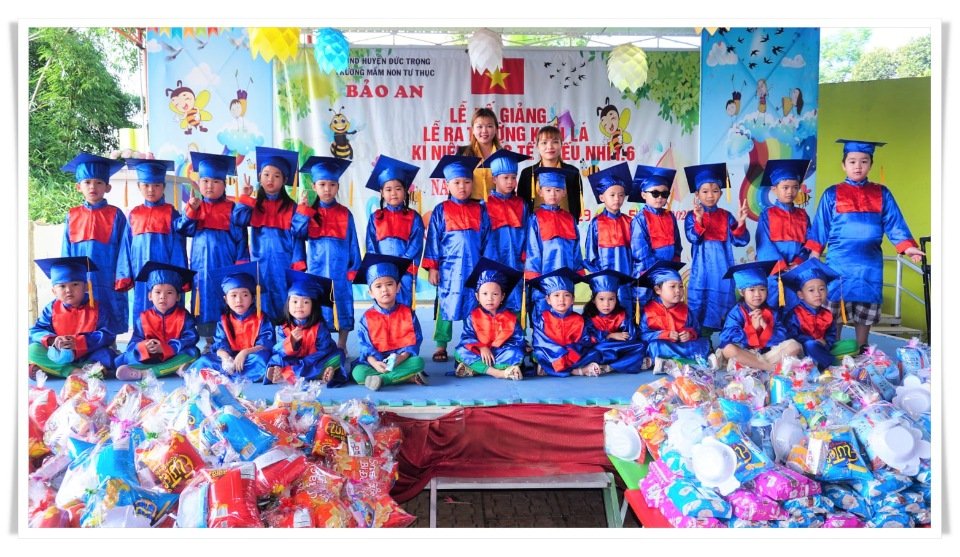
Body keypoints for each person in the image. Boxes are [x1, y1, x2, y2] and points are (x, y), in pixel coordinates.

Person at [805, 139, 924, 351]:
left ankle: (862, 349)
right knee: (834, 310)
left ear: (871, 164)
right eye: (852, 161)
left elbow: (894, 223)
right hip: (839, 264)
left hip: (869, 265)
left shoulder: (882, 193)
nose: (858, 166)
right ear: (844, 165)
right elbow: (821, 226)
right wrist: (814, 254)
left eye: (864, 161)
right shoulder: (831, 193)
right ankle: (833, 349)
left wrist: (907, 247)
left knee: (865, 310)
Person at [179, 152, 252, 346]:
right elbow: (183, 230)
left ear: (224, 184)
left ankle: (228, 342)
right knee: (203, 300)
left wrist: (240, 266)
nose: (209, 186)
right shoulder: (196, 207)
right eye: (205, 181)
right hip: (201, 267)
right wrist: (191, 210)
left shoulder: (232, 209)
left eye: (215, 181)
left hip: (225, 265)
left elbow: (241, 239)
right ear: (198, 183)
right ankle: (209, 342)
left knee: (225, 299)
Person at [422, 154, 489, 363]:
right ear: (447, 185)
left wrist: (487, 267)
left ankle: (474, 342)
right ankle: (441, 344)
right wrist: (433, 267)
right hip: (449, 269)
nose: (462, 187)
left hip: (475, 267)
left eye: (467, 182)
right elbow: (433, 240)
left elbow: (487, 239)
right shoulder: (441, 210)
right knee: (446, 304)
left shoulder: (480, 209)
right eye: (457, 182)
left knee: (476, 304)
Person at [296, 156, 361, 353]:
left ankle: (342, 344)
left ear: (338, 187)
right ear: (314, 186)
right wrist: (302, 210)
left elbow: (353, 242)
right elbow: (297, 233)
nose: (327, 189)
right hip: (317, 270)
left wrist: (354, 267)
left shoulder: (345, 213)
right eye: (322, 184)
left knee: (342, 304)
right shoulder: (309, 213)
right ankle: (321, 344)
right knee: (319, 306)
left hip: (340, 270)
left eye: (332, 185)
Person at [237, 146, 308, 323]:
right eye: (266, 174)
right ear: (259, 176)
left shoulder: (291, 207)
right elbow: (238, 220)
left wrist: (302, 211)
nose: (270, 179)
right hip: (259, 261)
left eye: (277, 176)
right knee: (261, 296)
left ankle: (285, 332)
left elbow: (299, 234)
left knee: (284, 295)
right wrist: (245, 198)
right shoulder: (254, 205)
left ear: (284, 180)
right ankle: (263, 332)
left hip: (284, 261)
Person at [60, 152, 128, 335]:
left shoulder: (116, 215)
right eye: (87, 182)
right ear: (78, 187)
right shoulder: (72, 215)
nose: (93, 187)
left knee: (109, 314)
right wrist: (67, 278)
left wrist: (122, 275)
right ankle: (84, 346)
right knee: (83, 316)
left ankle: (110, 345)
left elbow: (124, 249)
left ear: (108, 187)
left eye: (99, 182)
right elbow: (66, 250)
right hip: (80, 278)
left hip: (108, 276)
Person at [683, 162, 750, 336]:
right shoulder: (692, 216)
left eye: (715, 191)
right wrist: (699, 220)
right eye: (705, 191)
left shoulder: (726, 216)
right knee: (699, 309)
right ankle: (703, 343)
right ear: (697, 194)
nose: (710, 195)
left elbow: (740, 241)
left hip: (722, 272)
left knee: (723, 309)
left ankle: (727, 343)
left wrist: (741, 222)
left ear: (721, 192)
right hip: (701, 272)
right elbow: (693, 238)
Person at [115, 158, 189, 318]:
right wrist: (124, 274)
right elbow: (126, 246)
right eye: (146, 185)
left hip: (166, 272)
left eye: (156, 185)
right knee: (143, 311)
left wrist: (179, 275)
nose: (151, 190)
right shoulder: (134, 214)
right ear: (139, 186)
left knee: (168, 309)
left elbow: (179, 246)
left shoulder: (171, 213)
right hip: (140, 272)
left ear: (163, 187)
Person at [28, 257, 117, 378]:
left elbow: (108, 334)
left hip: (88, 353)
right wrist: (52, 340)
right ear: (54, 291)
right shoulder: (51, 309)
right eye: (62, 286)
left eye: (75, 284)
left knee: (107, 355)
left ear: (86, 287)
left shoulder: (98, 308)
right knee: (33, 350)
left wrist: (78, 342)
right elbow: (35, 331)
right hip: (60, 354)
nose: (68, 290)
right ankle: (74, 371)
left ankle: (53, 369)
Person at [351, 254, 428, 391]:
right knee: (358, 373)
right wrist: (375, 363)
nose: (384, 290)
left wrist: (401, 358)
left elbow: (414, 342)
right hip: (376, 363)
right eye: (378, 286)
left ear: (398, 287)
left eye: (389, 284)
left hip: (401, 361)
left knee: (418, 362)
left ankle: (382, 380)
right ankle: (404, 377)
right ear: (370, 292)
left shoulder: (407, 313)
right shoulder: (366, 318)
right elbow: (365, 347)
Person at [187, 262, 274, 381]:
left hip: (250, 357)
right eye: (233, 295)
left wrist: (244, 353)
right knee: (204, 360)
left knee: (262, 359)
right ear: (225, 299)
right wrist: (225, 358)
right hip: (230, 359)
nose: (239, 300)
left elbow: (266, 344)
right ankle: (244, 374)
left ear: (253, 298)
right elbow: (220, 344)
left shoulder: (262, 319)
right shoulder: (224, 320)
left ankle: (222, 376)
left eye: (245, 295)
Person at [114, 262, 200, 380]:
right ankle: (173, 368)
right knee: (128, 356)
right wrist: (145, 346)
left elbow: (191, 338)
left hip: (175, 353)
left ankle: (145, 373)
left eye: (169, 292)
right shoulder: (143, 318)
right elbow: (134, 342)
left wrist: (167, 348)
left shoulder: (184, 316)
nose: (162, 296)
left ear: (178, 297)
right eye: (158, 292)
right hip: (153, 356)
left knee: (193, 353)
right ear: (150, 296)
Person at [715, 261, 803, 372]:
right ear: (742, 292)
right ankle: (770, 367)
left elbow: (782, 335)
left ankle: (752, 366)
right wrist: (752, 329)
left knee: (794, 345)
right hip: (744, 352)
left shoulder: (772, 312)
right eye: (752, 290)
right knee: (729, 349)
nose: (757, 294)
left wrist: (766, 327)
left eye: (762, 289)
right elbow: (727, 337)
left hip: (766, 354)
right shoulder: (736, 313)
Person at [265, 270, 347, 387]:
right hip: (293, 360)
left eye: (306, 302)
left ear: (314, 306)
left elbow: (324, 350)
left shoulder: (320, 327)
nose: (299, 305)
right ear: (288, 304)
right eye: (294, 301)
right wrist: (291, 342)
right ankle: (316, 374)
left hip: (314, 361)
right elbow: (277, 350)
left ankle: (286, 373)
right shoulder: (283, 327)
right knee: (275, 358)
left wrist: (304, 363)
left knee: (339, 355)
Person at [363, 155, 424, 308]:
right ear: (381, 192)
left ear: (405, 191)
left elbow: (415, 246)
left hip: (405, 272)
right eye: (388, 189)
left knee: (404, 307)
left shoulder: (413, 217)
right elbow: (371, 245)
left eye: (398, 189)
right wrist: (381, 266)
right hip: (382, 271)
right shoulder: (376, 217)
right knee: (383, 306)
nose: (394, 193)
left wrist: (400, 266)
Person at [524, 166, 584, 318]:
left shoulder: (569, 219)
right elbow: (532, 249)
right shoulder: (535, 218)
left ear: (564, 192)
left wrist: (577, 271)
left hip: (566, 277)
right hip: (544, 279)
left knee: (564, 313)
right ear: (540, 192)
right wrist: (535, 277)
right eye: (548, 190)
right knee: (543, 315)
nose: (553, 194)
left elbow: (576, 248)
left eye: (558, 190)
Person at [454, 258, 525, 380]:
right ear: (477, 296)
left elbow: (517, 341)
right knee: (461, 351)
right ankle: (499, 372)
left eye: (495, 294)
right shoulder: (473, 316)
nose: (490, 298)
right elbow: (467, 337)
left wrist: (502, 348)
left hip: (500, 353)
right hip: (479, 352)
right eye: (485, 294)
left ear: (502, 296)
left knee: (515, 353)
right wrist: (481, 347)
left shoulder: (511, 318)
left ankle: (476, 368)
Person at [755, 159, 812, 309]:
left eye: (795, 187)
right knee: (773, 307)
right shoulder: (767, 215)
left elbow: (809, 243)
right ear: (774, 189)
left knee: (796, 308)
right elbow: (764, 244)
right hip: (774, 273)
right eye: (785, 187)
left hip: (797, 271)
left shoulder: (803, 215)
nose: (790, 192)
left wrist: (799, 261)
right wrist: (780, 266)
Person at [479, 148, 531, 314]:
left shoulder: (521, 204)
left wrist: (525, 257)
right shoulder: (485, 205)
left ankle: (516, 330)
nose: (510, 182)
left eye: (513, 177)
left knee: (516, 298)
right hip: (493, 261)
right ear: (494, 178)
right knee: (493, 298)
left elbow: (529, 233)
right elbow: (482, 237)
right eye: (505, 177)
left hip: (516, 260)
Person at [637, 260, 712, 370]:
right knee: (655, 346)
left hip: (682, 345)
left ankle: (668, 363)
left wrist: (689, 334)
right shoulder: (649, 310)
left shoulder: (685, 309)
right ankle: (688, 361)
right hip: (663, 345)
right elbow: (643, 335)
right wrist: (663, 335)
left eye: (680, 286)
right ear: (658, 290)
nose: (678, 291)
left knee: (703, 342)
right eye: (672, 286)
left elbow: (696, 330)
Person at [530, 268, 604, 377]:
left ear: (573, 299)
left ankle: (555, 370)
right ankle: (577, 371)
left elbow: (585, 340)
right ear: (548, 300)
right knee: (539, 354)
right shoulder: (542, 319)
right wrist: (561, 353)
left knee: (595, 353)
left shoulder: (579, 319)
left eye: (566, 295)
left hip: (573, 354)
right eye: (556, 295)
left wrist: (572, 350)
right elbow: (541, 342)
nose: (561, 299)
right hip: (552, 354)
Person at [584, 162, 634, 320]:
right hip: (605, 277)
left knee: (625, 306)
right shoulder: (596, 222)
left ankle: (626, 330)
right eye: (612, 195)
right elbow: (591, 253)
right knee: (605, 307)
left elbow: (635, 251)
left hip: (626, 275)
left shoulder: (629, 222)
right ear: (601, 197)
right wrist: (599, 276)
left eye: (621, 195)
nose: (617, 199)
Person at [629, 165, 682, 308]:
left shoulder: (670, 216)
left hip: (667, 270)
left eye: (664, 194)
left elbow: (677, 244)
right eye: (655, 193)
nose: (660, 197)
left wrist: (673, 265)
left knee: (665, 305)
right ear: (643, 195)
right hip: (646, 271)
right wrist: (658, 270)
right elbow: (640, 251)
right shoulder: (640, 219)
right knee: (645, 306)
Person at [581, 270, 649, 373]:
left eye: (611, 299)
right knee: (597, 349)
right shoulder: (589, 317)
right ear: (594, 300)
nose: (606, 304)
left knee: (641, 346)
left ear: (616, 299)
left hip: (618, 347)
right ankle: (623, 364)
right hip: (601, 348)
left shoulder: (621, 314)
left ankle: (610, 366)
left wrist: (624, 337)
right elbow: (587, 339)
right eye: (601, 299)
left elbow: (631, 335)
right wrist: (610, 336)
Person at [782, 258, 841, 370]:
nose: (817, 294)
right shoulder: (795, 314)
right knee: (811, 345)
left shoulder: (827, 314)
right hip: (801, 351)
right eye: (811, 290)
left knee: (850, 344)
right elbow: (791, 335)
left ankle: (822, 363)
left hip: (822, 347)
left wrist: (826, 343)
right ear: (800, 294)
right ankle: (832, 365)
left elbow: (831, 334)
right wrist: (812, 340)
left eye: (822, 289)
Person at [517, 125, 585, 221]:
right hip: (535, 227)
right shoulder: (528, 174)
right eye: (544, 142)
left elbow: (576, 207)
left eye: (555, 142)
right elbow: (522, 206)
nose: (549, 147)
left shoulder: (572, 173)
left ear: (561, 145)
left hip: (565, 226)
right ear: (537, 146)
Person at [457, 107, 502, 201]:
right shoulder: (462, 153)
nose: (484, 131)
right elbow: (455, 184)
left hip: (497, 205)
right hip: (469, 206)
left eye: (489, 126)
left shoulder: (503, 155)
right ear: (473, 130)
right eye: (479, 127)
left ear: (496, 129)